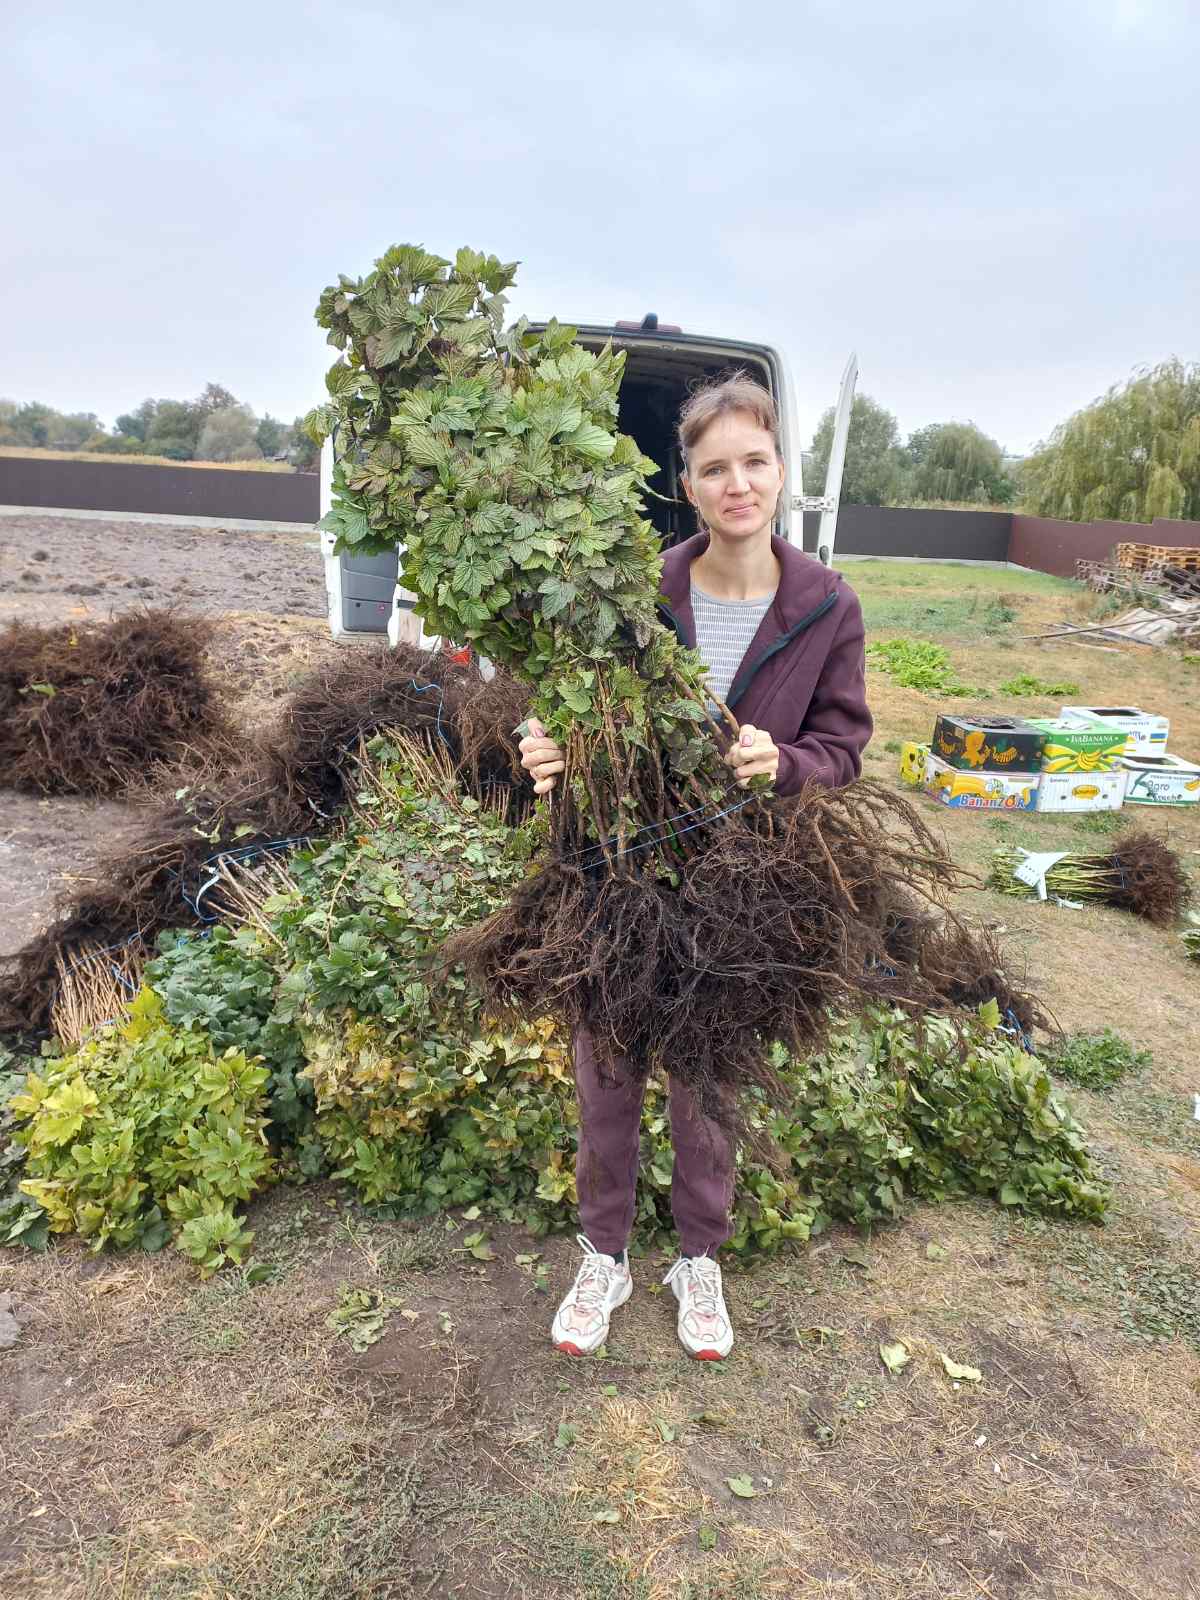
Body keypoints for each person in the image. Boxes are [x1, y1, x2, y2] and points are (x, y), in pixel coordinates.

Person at [519, 373, 873, 1360]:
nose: (737, 485)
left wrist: (786, 761)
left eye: (754, 463)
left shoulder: (825, 606)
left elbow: (845, 744)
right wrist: (546, 744)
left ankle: (698, 1258)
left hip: (740, 877)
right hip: (621, 862)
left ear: (780, 470)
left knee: (706, 1070)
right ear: (687, 480)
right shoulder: (641, 594)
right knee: (608, 1063)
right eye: (715, 468)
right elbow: (566, 702)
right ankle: (605, 1252)